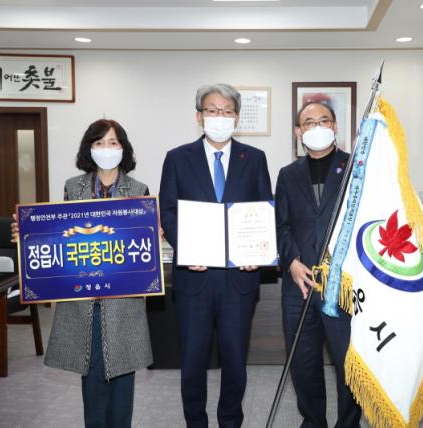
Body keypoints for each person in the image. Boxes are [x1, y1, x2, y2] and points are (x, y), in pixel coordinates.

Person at [12, 119, 152, 428]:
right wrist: (28, 233)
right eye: (99, 143)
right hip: (83, 299)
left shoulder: (138, 190)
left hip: (122, 302)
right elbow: (59, 235)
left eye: (113, 143)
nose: (106, 149)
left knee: (123, 378)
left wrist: (155, 234)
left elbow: (140, 242)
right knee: (92, 378)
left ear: (123, 148)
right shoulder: (72, 187)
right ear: (89, 148)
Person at [159, 83, 272, 427]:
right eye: (212, 110)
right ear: (199, 116)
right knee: (193, 361)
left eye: (226, 111)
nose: (219, 117)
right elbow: (168, 211)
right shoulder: (177, 158)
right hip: (194, 279)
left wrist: (258, 250)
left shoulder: (254, 158)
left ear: (236, 118)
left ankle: (230, 422)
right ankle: (196, 422)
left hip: (239, 280)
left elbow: (263, 210)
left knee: (235, 362)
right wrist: (186, 248)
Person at [275, 101, 362, 428]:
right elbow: (281, 225)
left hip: (344, 284)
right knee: (303, 363)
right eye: (309, 123)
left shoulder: (356, 167)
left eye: (324, 120)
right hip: (299, 284)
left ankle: (348, 424)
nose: (317, 127)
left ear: (335, 126)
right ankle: (313, 422)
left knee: (348, 363)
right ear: (299, 132)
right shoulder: (287, 174)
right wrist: (292, 261)